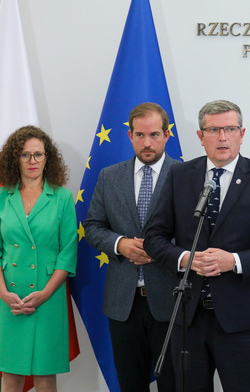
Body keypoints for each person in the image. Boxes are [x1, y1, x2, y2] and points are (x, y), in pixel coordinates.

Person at [144, 99, 250, 391]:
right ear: (200, 137)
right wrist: (184, 258)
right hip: (187, 318)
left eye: (230, 128)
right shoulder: (179, 175)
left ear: (242, 134)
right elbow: (154, 238)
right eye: (214, 130)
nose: (223, 136)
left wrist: (235, 261)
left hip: (242, 320)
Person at [84, 102, 178, 392]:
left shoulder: (187, 174)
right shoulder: (109, 176)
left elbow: (197, 234)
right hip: (123, 303)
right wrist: (120, 244)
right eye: (140, 135)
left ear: (166, 135)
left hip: (171, 301)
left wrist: (162, 249)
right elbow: (92, 226)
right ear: (130, 136)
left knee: (175, 385)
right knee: (130, 385)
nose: (146, 142)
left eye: (153, 134)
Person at [0, 126, 77, 392]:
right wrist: (3, 291)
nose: (32, 161)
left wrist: (45, 293)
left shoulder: (62, 198)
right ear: (15, 158)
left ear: (48, 158)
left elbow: (67, 254)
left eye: (38, 154)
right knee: (11, 379)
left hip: (48, 295)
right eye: (25, 155)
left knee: (46, 380)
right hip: (8, 296)